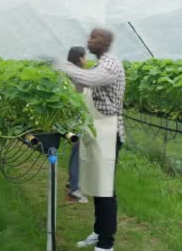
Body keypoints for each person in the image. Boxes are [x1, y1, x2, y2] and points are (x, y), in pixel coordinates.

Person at [57, 29, 125, 251]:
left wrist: (63, 65)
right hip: (97, 132)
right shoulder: (97, 65)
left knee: (105, 189)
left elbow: (91, 79)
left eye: (93, 38)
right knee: (97, 186)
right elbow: (81, 87)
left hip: (109, 133)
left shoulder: (110, 64)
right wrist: (72, 76)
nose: (88, 40)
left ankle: (106, 244)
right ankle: (99, 232)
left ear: (105, 42)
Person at [66, 46, 88, 204]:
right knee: (79, 153)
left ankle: (71, 182)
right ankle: (74, 189)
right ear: (80, 58)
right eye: (85, 57)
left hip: (70, 120)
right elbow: (81, 100)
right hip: (77, 121)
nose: (86, 60)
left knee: (75, 152)